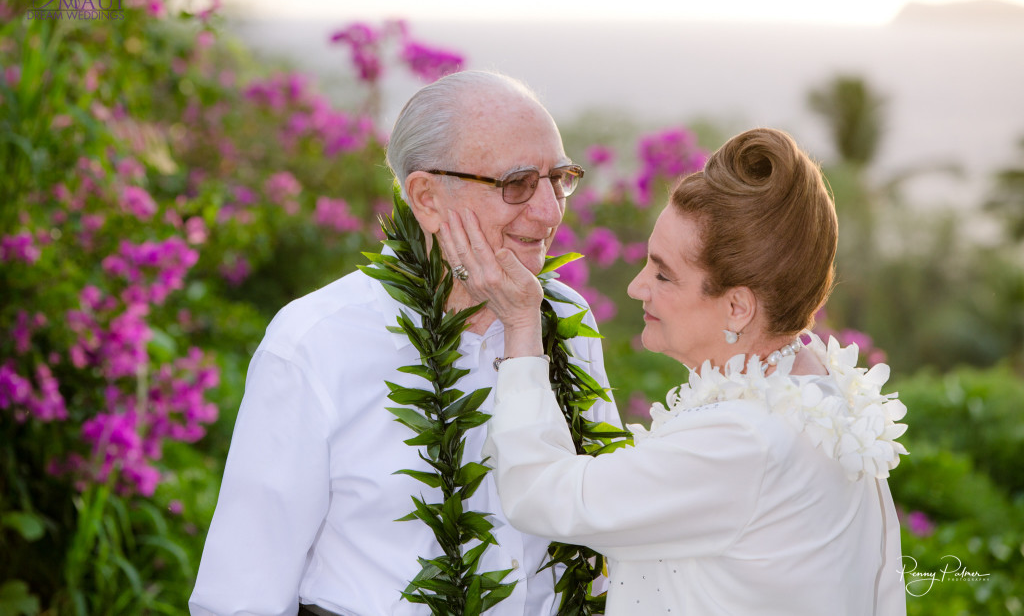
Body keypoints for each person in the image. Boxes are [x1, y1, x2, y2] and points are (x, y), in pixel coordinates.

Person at [188, 71, 621, 616]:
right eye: (516, 184)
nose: (550, 212)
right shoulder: (317, 342)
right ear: (426, 197)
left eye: (559, 178)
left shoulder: (562, 315)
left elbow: (600, 513)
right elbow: (241, 592)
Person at [439, 127, 908, 615]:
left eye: (663, 274)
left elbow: (543, 496)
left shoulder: (743, 440)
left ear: (737, 308)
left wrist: (521, 325)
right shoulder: (818, 387)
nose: (637, 287)